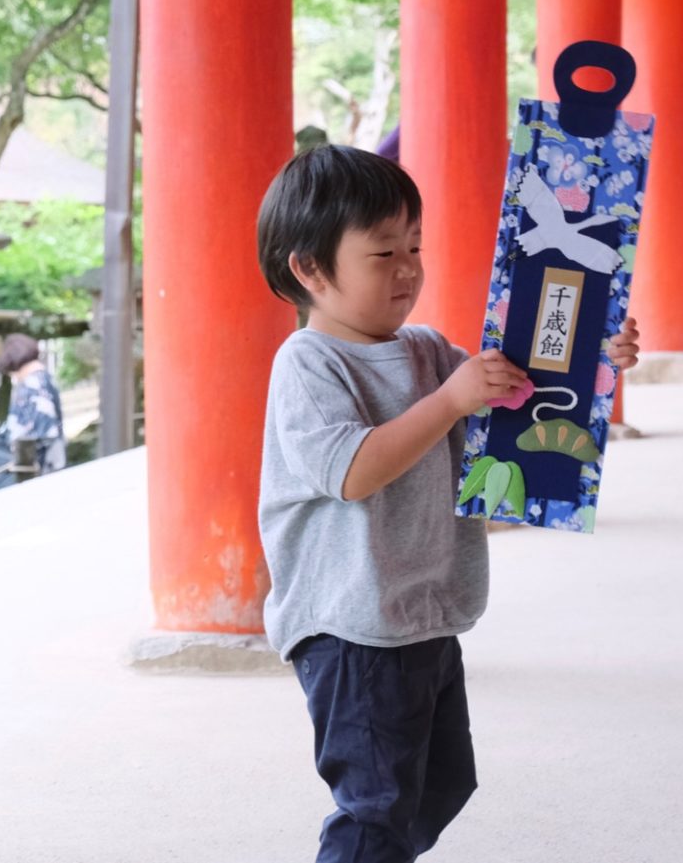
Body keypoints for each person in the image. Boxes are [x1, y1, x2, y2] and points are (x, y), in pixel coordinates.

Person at [255, 144, 639, 862]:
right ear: (309, 268)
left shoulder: (428, 349)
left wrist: (594, 355)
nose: (407, 267)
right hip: (352, 625)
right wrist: (450, 398)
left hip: (425, 610)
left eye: (415, 246)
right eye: (381, 253)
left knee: (442, 784)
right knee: (375, 805)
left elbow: (516, 398)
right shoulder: (308, 363)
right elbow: (353, 470)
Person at [0, 333, 66, 496]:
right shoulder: (45, 380)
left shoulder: (31, 386)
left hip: (33, 469)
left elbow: (25, 437)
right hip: (51, 464)